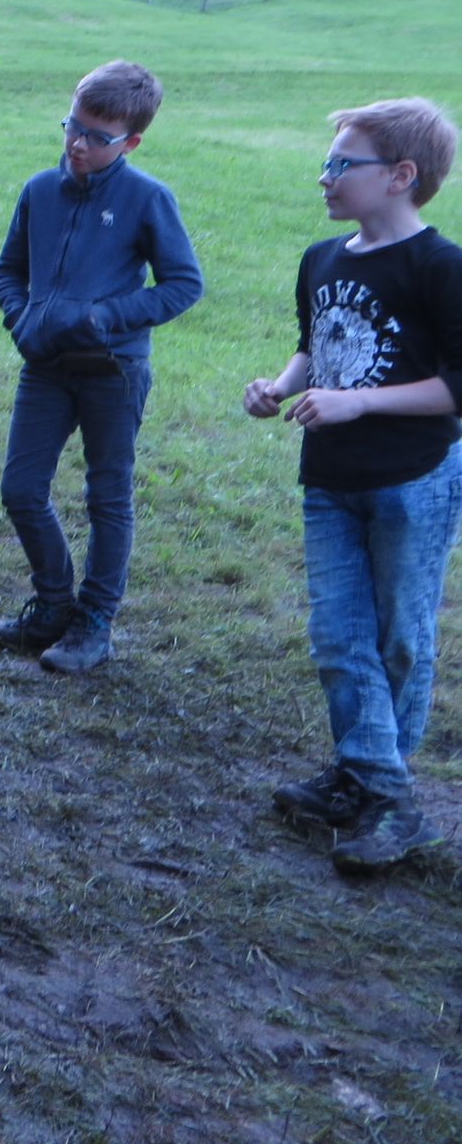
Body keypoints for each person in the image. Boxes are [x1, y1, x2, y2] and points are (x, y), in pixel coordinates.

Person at [244, 98, 462, 873]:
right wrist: (278, 385)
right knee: (339, 638)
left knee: (397, 638)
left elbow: (456, 387)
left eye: (342, 163)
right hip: (329, 478)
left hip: (413, 478)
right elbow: (315, 344)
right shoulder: (320, 258)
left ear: (400, 176)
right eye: (326, 161)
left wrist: (358, 401)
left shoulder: (440, 267)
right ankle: (377, 789)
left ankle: (372, 788)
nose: (324, 176)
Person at [0, 60, 202, 673]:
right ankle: (53, 606)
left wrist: (104, 317)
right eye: (72, 127)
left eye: (96, 137)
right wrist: (21, 318)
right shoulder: (39, 191)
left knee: (107, 497)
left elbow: (183, 285)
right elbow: (8, 270)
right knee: (21, 489)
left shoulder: (147, 199)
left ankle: (95, 624)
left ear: (131, 143)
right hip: (46, 366)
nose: (78, 144)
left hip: (114, 371)